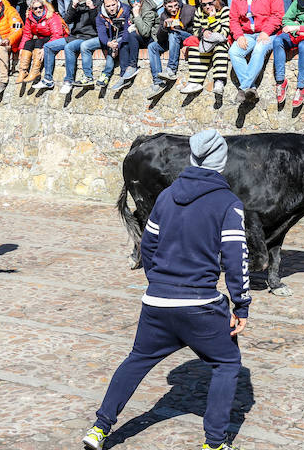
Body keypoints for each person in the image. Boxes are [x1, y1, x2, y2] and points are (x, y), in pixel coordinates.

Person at [81, 129, 250, 450]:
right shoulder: (228, 203)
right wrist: (241, 305)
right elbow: (236, 258)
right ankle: (215, 443)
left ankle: (99, 428)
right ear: (221, 161)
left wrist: (158, 282)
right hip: (201, 305)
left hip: (157, 303)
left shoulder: (166, 197)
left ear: (194, 158)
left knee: (137, 360)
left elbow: (148, 245)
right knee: (227, 364)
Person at [228, 0, 285, 101]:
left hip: (269, 34)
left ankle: (243, 88)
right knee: (234, 52)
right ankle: (251, 88)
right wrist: (239, 36)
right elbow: (233, 20)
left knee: (259, 49)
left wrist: (266, 32)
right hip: (247, 34)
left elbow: (278, 15)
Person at [180, 0, 231, 96]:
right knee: (194, 48)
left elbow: (224, 33)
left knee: (220, 48)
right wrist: (203, 32)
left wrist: (212, 19)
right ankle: (195, 82)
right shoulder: (199, 11)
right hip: (205, 43)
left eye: (210, 3)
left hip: (221, 42)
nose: (207, 7)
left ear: (215, 0)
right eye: (204, 4)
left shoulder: (224, 10)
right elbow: (195, 30)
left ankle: (219, 81)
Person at [147, 0, 196, 85]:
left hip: (187, 38)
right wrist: (164, 27)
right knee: (152, 46)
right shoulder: (163, 15)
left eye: (176, 5)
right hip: (172, 41)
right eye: (170, 6)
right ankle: (158, 81)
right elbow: (160, 39)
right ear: (164, 6)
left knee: (174, 33)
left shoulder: (189, 10)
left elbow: (197, 29)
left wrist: (189, 44)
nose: (174, 9)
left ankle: (171, 69)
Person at [96, 0, 139, 91]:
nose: (111, 8)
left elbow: (127, 31)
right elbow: (101, 33)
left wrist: (116, 46)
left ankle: (107, 75)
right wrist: (108, 43)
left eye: (113, 5)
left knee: (119, 44)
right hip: (109, 39)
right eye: (108, 6)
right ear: (104, 5)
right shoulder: (101, 14)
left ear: (117, 1)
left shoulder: (126, 9)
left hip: (122, 37)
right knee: (85, 45)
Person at [16, 0, 63, 84]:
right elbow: (27, 34)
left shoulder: (51, 16)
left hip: (55, 39)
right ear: (31, 9)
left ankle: (35, 71)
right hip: (42, 39)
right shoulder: (30, 18)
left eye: (40, 7)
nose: (38, 10)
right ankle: (23, 70)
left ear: (44, 7)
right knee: (28, 43)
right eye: (35, 8)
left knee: (39, 42)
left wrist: (46, 47)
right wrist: (22, 48)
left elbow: (57, 35)